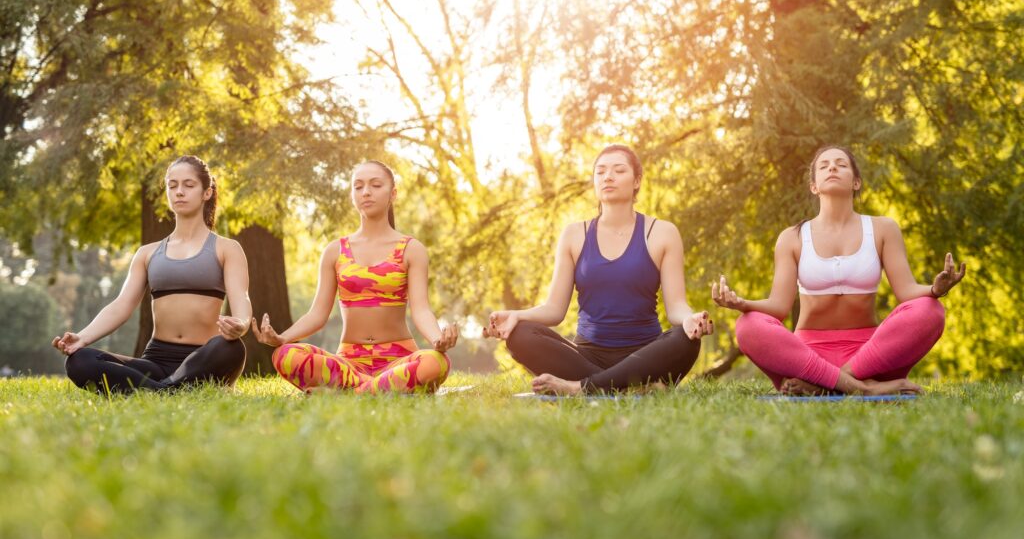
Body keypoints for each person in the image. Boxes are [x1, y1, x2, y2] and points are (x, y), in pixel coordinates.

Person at [712, 145, 965, 396]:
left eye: (841, 164)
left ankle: (828, 383)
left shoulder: (883, 229)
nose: (832, 167)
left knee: (930, 309)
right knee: (748, 325)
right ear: (814, 186)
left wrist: (934, 290)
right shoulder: (792, 237)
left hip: (868, 359)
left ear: (856, 182)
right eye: (824, 166)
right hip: (807, 358)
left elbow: (907, 291)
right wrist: (742, 303)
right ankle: (862, 389)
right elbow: (779, 306)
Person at [484, 144, 713, 396]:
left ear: (637, 181)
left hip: (646, 356)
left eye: (618, 170)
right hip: (585, 357)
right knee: (520, 335)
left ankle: (583, 388)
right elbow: (554, 310)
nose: (608, 177)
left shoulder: (662, 233)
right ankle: (629, 387)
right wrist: (517, 315)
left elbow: (676, 307)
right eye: (600, 171)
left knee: (686, 338)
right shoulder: (574, 234)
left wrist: (690, 319)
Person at [254, 160, 458, 394]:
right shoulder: (335, 250)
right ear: (352, 195)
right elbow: (318, 314)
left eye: (375, 185)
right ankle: (380, 390)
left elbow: (421, 310)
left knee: (436, 362)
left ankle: (351, 393)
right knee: (285, 355)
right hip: (348, 365)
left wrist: (436, 339)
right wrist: (282, 338)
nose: (366, 192)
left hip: (399, 361)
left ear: (393, 194)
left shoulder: (411, 248)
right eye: (358, 186)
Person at [52, 156, 250, 394]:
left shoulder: (227, 248)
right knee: (79, 361)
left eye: (188, 185)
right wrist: (82, 338)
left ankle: (153, 391)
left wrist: (241, 324)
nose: (179, 192)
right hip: (155, 361)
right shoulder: (147, 253)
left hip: (205, 357)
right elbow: (121, 306)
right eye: (172, 185)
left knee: (231, 348)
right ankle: (168, 391)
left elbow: (241, 299)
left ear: (206, 192)